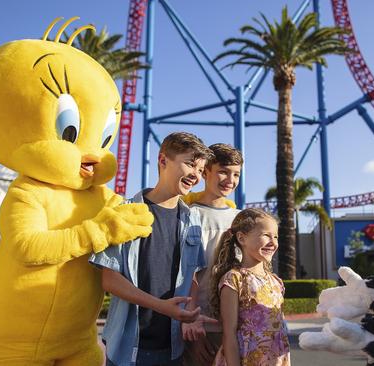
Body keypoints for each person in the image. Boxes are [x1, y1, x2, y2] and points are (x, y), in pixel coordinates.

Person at [90, 132, 215, 366]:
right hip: (128, 349)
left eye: (200, 170)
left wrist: (189, 312)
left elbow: (193, 275)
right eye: (190, 164)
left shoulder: (192, 219)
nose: (196, 175)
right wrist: (163, 307)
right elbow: (109, 279)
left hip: (173, 348)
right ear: (163, 160)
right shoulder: (124, 211)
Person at [182, 143, 243, 365]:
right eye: (223, 171)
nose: (230, 179)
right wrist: (190, 317)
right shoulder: (189, 214)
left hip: (235, 323)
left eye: (236, 174)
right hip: (198, 323)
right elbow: (186, 271)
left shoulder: (240, 219)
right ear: (206, 171)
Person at [210, 208, 291, 366]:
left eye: (275, 236)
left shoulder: (276, 282)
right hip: (245, 359)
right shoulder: (234, 279)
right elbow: (229, 333)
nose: (273, 242)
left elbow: (280, 330)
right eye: (266, 235)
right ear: (242, 238)